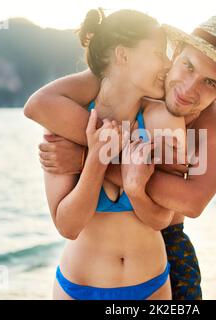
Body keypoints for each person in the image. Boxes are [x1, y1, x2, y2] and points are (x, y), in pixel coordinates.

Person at [24, 16, 216, 300]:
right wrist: (98, 153)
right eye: (188, 66)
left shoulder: (214, 122)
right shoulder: (111, 82)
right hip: (85, 271)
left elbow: (191, 202)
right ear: (175, 55)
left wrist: (88, 159)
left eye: (209, 82)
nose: (189, 88)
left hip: (164, 246)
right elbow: (39, 104)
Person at [30, 8, 191, 300]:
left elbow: (160, 219)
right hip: (77, 287)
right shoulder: (65, 124)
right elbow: (67, 225)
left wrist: (136, 190)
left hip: (151, 286)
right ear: (123, 55)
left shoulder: (161, 120)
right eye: (158, 53)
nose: (168, 64)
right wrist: (95, 159)